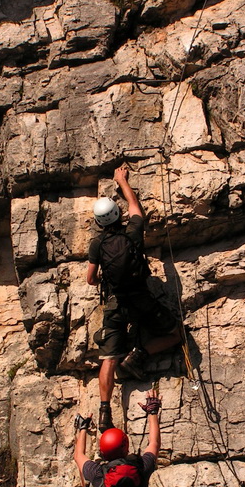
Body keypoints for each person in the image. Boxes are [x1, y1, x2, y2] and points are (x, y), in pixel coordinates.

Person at [87, 165, 182, 432]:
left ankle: (105, 411)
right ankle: (139, 355)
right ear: (118, 216)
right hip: (143, 300)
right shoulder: (132, 233)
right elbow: (135, 207)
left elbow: (90, 279)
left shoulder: (97, 245)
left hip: (117, 305)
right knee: (175, 334)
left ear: (98, 223)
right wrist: (121, 180)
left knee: (108, 358)